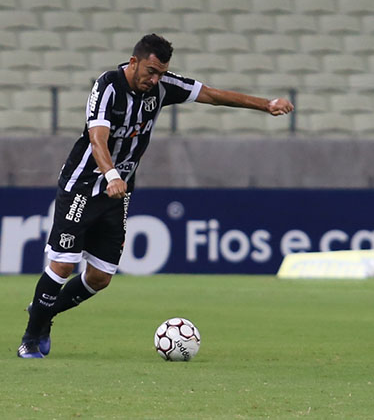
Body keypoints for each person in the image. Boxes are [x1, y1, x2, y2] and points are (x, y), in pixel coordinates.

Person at [17, 33, 294, 358]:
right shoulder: (107, 86)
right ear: (134, 62)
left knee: (100, 277)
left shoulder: (162, 87)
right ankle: (30, 339)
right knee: (63, 266)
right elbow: (97, 139)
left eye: (161, 72)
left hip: (118, 192)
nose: (155, 78)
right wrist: (111, 173)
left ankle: (43, 312)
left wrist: (267, 105)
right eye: (151, 71)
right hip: (83, 184)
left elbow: (213, 95)